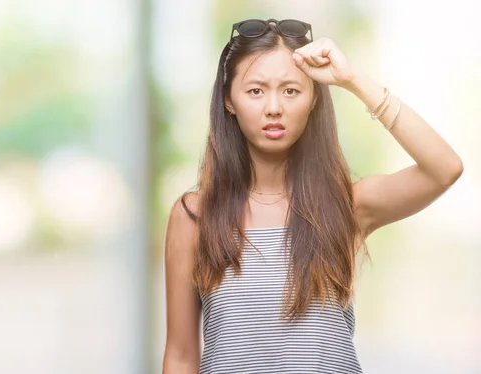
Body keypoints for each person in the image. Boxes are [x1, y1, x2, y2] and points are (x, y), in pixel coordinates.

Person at [161, 18, 463, 374]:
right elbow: (181, 355)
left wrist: (352, 80)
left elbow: (445, 168)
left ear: (313, 100)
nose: (274, 107)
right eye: (256, 91)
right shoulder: (194, 216)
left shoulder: (347, 206)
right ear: (229, 100)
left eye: (291, 91)